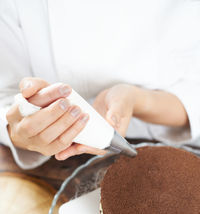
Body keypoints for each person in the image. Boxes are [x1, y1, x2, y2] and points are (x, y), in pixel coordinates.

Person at [0, 0, 200, 169]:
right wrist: (19, 129)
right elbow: (6, 99)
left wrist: (138, 100)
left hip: (182, 146)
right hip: (54, 162)